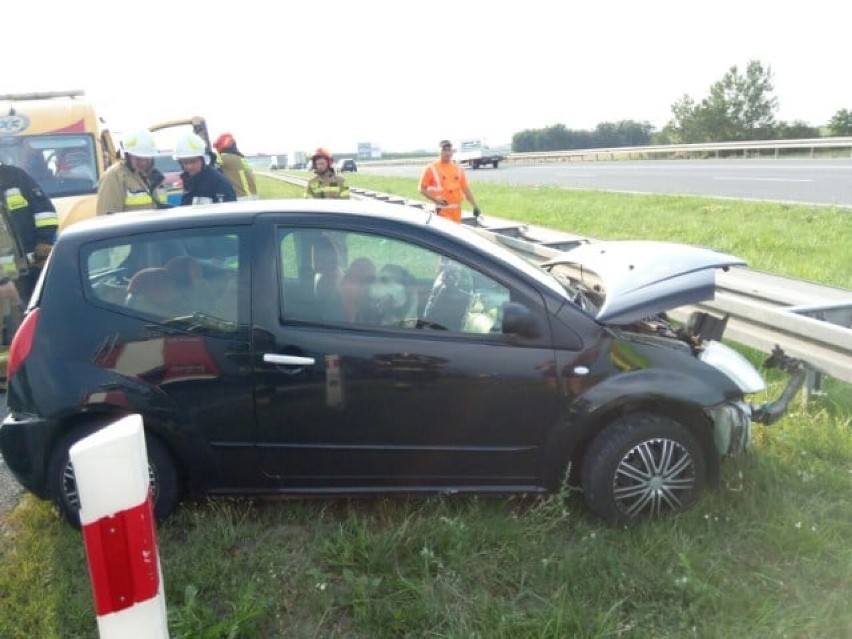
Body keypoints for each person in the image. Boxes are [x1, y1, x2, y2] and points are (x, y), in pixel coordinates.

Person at [0, 161, 58, 367]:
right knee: (11, 331)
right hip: (4, 281)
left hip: (30, 269)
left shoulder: (16, 177)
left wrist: (44, 241)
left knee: (38, 322)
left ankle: (39, 364)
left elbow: (45, 211)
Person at [96, 129, 168, 215]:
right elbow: (106, 218)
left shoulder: (155, 178)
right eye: (138, 158)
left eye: (146, 158)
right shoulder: (114, 176)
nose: (143, 162)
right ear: (127, 155)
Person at [419, 139, 481, 223]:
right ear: (439, 152)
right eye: (444, 150)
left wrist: (474, 205)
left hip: (456, 212)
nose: (447, 153)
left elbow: (466, 189)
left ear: (452, 152)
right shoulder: (431, 168)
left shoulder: (458, 169)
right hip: (441, 211)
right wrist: (436, 200)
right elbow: (422, 189)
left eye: (449, 150)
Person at [174, 133, 237, 205]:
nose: (189, 166)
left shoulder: (217, 182)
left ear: (203, 160)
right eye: (185, 162)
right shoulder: (189, 181)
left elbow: (226, 212)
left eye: (193, 161)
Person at [212, 133, 258, 200]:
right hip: (252, 196)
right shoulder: (242, 158)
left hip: (238, 198)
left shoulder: (222, 158)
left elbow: (211, 168)